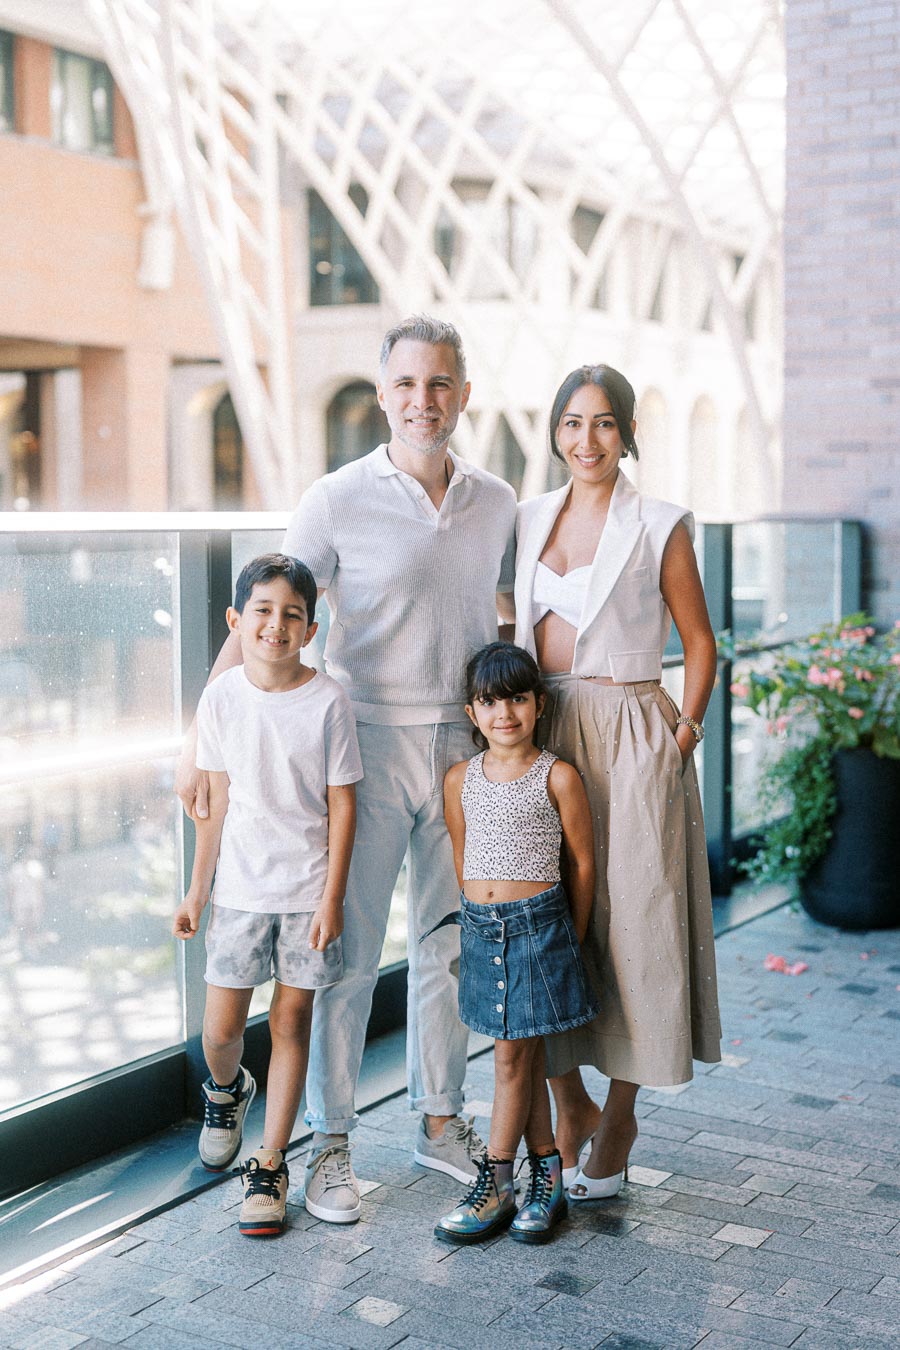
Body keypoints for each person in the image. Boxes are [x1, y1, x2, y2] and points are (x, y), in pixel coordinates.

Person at [175, 315, 518, 1223]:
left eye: (440, 384)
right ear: (383, 395)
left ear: (464, 394)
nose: (424, 401)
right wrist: (199, 746)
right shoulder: (334, 498)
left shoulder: (498, 501)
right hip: (359, 749)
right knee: (347, 958)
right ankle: (330, 1149)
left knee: (448, 948)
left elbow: (512, 616)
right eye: (407, 385)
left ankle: (439, 1121)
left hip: (464, 751)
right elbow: (266, 623)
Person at [513, 364, 722, 1199]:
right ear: (555, 432)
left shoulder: (660, 523)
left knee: (637, 921)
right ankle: (569, 1102)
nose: (586, 440)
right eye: (571, 423)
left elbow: (700, 642)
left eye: (604, 424)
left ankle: (623, 1110)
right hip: (545, 731)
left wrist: (681, 734)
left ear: (627, 433)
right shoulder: (528, 519)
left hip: (634, 730)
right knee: (549, 917)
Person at [173, 554, 362, 1237]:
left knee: (290, 1025)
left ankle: (272, 1162)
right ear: (236, 620)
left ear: (310, 628)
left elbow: (344, 809)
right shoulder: (221, 699)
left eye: (291, 615)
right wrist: (198, 890)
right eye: (262, 612)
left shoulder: (329, 701)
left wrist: (333, 899)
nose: (275, 626)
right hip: (241, 896)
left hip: (308, 892)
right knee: (220, 1032)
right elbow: (215, 801)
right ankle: (228, 1092)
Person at [431, 642, 597, 1245]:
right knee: (519, 1057)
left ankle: (497, 1179)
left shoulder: (557, 775)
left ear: (539, 704)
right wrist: (479, 915)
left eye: (517, 698)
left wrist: (569, 937)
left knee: (509, 1056)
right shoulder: (460, 780)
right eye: (490, 701)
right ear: (472, 712)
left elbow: (581, 864)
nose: (505, 712)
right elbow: (461, 851)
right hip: (483, 930)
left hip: (541, 929)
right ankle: (546, 1173)